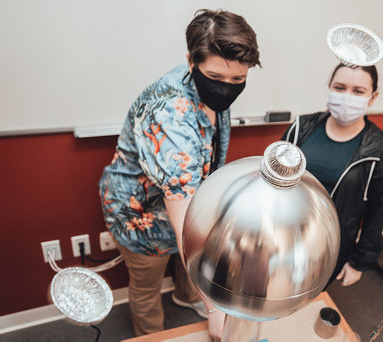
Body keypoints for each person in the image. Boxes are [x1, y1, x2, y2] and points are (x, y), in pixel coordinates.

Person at [98, 9, 260, 341]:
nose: (226, 89)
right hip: (139, 217)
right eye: (215, 79)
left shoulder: (210, 78)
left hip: (186, 203)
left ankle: (186, 295)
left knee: (192, 254)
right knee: (146, 288)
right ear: (191, 61)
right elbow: (183, 221)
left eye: (237, 81)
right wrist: (216, 308)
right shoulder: (169, 117)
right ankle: (151, 337)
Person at [281, 64, 383, 287]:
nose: (347, 97)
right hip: (281, 233)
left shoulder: (381, 151)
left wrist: (359, 262)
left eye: (358, 91)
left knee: (303, 299)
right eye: (340, 87)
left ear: (372, 97)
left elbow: (378, 213)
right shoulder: (301, 128)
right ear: (329, 87)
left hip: (328, 247)